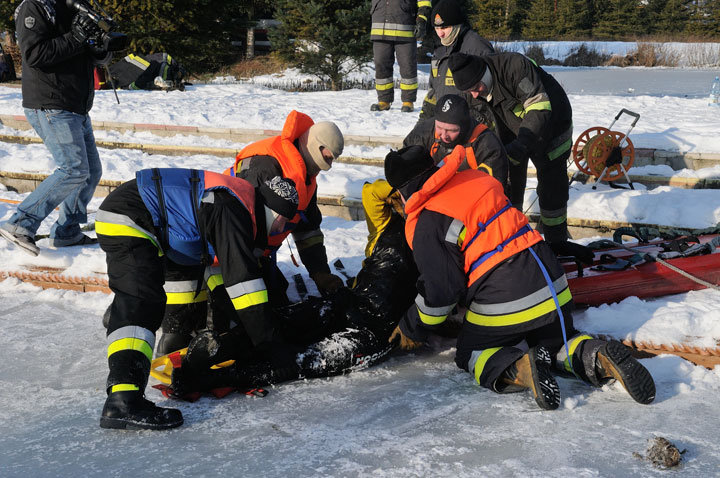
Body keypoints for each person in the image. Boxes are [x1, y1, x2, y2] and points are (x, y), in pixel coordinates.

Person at [384, 144, 656, 410]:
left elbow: (441, 291)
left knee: (473, 353)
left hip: (504, 291)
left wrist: (411, 327)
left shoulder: (428, 220)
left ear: (405, 192)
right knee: (560, 343)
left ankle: (520, 367)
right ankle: (597, 355)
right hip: (551, 280)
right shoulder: (475, 179)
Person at [95, 168, 300, 430]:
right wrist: (270, 345)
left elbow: (223, 276)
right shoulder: (234, 209)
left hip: (169, 233)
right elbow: (244, 283)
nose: (281, 231)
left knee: (184, 308)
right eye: (284, 223)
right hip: (132, 216)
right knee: (140, 303)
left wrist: (244, 330)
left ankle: (167, 351)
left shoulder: (239, 205)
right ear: (276, 214)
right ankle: (123, 401)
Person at [154, 111, 347, 356]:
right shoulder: (265, 165)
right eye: (328, 155)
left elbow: (308, 230)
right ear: (314, 145)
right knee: (239, 308)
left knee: (276, 309)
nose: (330, 163)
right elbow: (240, 225)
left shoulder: (307, 177)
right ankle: (188, 330)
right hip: (222, 245)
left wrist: (320, 273)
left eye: (334, 158)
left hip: (256, 250)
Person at [448, 51, 594, 263]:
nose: (473, 95)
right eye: (468, 91)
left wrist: (522, 145)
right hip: (511, 133)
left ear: (483, 74)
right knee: (507, 185)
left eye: (475, 88)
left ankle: (557, 242)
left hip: (552, 127)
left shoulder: (514, 66)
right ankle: (512, 240)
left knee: (552, 187)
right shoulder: (471, 91)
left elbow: (539, 108)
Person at [1, 0, 110, 256]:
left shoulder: (74, 7)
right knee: (73, 169)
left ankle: (67, 232)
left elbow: (87, 54)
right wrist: (76, 37)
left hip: (76, 105)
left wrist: (99, 48)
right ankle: (19, 223)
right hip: (50, 103)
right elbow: (35, 55)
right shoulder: (35, 7)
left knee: (91, 172)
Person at [404, 93, 509, 192]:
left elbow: (491, 190)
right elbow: (404, 168)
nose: (444, 135)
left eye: (452, 130)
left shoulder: (486, 145)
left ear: (464, 127)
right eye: (439, 128)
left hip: (469, 200)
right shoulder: (423, 133)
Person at [417, 0, 494, 124]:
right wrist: (421, 126)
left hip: (471, 126)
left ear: (457, 24)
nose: (440, 33)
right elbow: (434, 93)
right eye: (436, 28)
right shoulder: (439, 50)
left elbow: (490, 96)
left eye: (445, 27)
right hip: (445, 126)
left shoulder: (477, 48)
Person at [370, 0, 432, 112]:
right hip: (379, 27)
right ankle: (384, 100)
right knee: (381, 65)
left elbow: (425, 2)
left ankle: (408, 101)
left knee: (407, 66)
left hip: (405, 28)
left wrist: (422, 19)